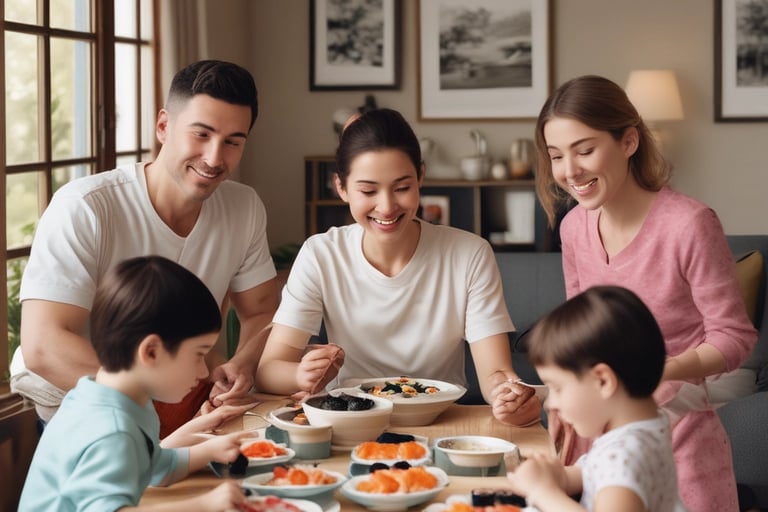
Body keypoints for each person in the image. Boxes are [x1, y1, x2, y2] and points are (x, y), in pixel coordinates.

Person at [10, 59, 279, 437]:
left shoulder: (243, 207)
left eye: (233, 142)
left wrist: (243, 365)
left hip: (185, 400)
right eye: (201, 134)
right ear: (164, 126)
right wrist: (159, 399)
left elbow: (262, 311)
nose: (215, 158)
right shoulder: (85, 206)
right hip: (81, 402)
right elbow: (43, 346)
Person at [533, 74, 757, 511]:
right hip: (600, 437)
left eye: (584, 150)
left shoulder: (689, 224)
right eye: (556, 156)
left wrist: (660, 372)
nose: (569, 171)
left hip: (679, 438)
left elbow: (734, 336)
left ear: (629, 141)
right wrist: (557, 398)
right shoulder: (574, 227)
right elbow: (580, 336)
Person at [254, 108, 541, 426]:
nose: (387, 207)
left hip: (441, 422)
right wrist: (300, 374)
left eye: (402, 188)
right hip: (351, 422)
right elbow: (268, 370)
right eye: (368, 191)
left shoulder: (469, 254)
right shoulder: (321, 254)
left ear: (420, 176)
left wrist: (510, 397)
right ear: (341, 188)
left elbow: (496, 373)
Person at [18, 256, 252, 511]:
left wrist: (209, 451)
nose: (205, 371)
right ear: (151, 351)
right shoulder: (112, 430)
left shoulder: (109, 399)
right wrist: (204, 504)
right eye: (198, 355)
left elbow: (154, 466)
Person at [507, 286, 687, 512]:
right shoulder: (644, 427)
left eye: (558, 388)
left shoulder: (624, 456)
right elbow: (593, 471)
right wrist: (557, 476)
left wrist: (542, 492)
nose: (550, 403)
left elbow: (614, 471)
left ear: (602, 381)